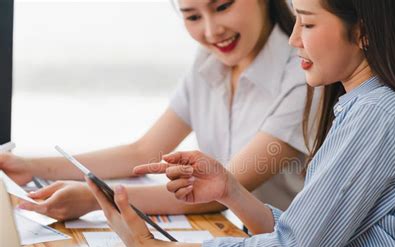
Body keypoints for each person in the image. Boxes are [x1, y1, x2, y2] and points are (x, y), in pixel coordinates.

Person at [86, 0, 395, 247]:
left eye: (307, 24)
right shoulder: (365, 104)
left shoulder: (376, 114)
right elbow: (304, 239)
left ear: (363, 31)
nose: (294, 40)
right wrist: (232, 191)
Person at [0, 0, 311, 222]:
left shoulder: (302, 76)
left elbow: (223, 188)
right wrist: (30, 165)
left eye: (223, 6)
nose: (211, 31)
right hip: (241, 242)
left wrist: (96, 198)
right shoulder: (207, 63)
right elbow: (143, 151)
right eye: (192, 16)